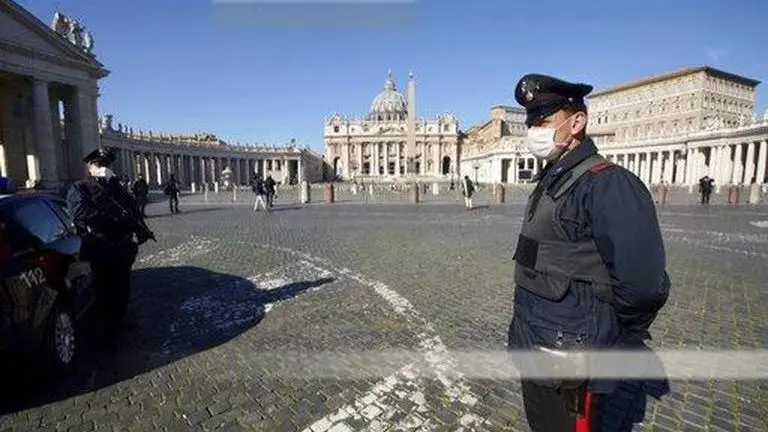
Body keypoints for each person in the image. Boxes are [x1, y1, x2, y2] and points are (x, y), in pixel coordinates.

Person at [507, 74, 670, 431]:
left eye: (544, 121)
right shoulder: (554, 178)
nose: (534, 130)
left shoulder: (609, 183)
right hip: (536, 344)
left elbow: (643, 286)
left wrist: (608, 336)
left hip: (572, 360)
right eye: (531, 122)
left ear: (577, 121)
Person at [66, 148, 154, 348]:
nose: (104, 168)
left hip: (122, 248)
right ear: (90, 167)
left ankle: (119, 323)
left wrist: (115, 186)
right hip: (100, 247)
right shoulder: (80, 188)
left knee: (122, 289)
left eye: (106, 165)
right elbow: (81, 214)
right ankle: (107, 335)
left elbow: (133, 210)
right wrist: (114, 218)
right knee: (103, 292)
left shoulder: (118, 188)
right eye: (100, 165)